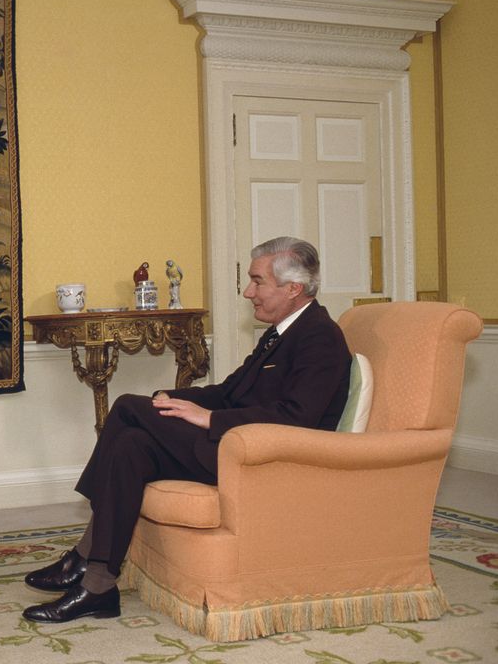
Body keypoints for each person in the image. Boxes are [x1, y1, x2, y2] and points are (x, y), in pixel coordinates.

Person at [22, 236, 352, 624]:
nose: (248, 292)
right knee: (131, 444)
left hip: (262, 460)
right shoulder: (279, 333)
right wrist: (172, 398)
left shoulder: (320, 336)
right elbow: (230, 391)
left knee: (127, 406)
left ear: (293, 288)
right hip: (236, 445)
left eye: (257, 281)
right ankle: (98, 585)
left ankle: (82, 556)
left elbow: (297, 417)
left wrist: (208, 418)